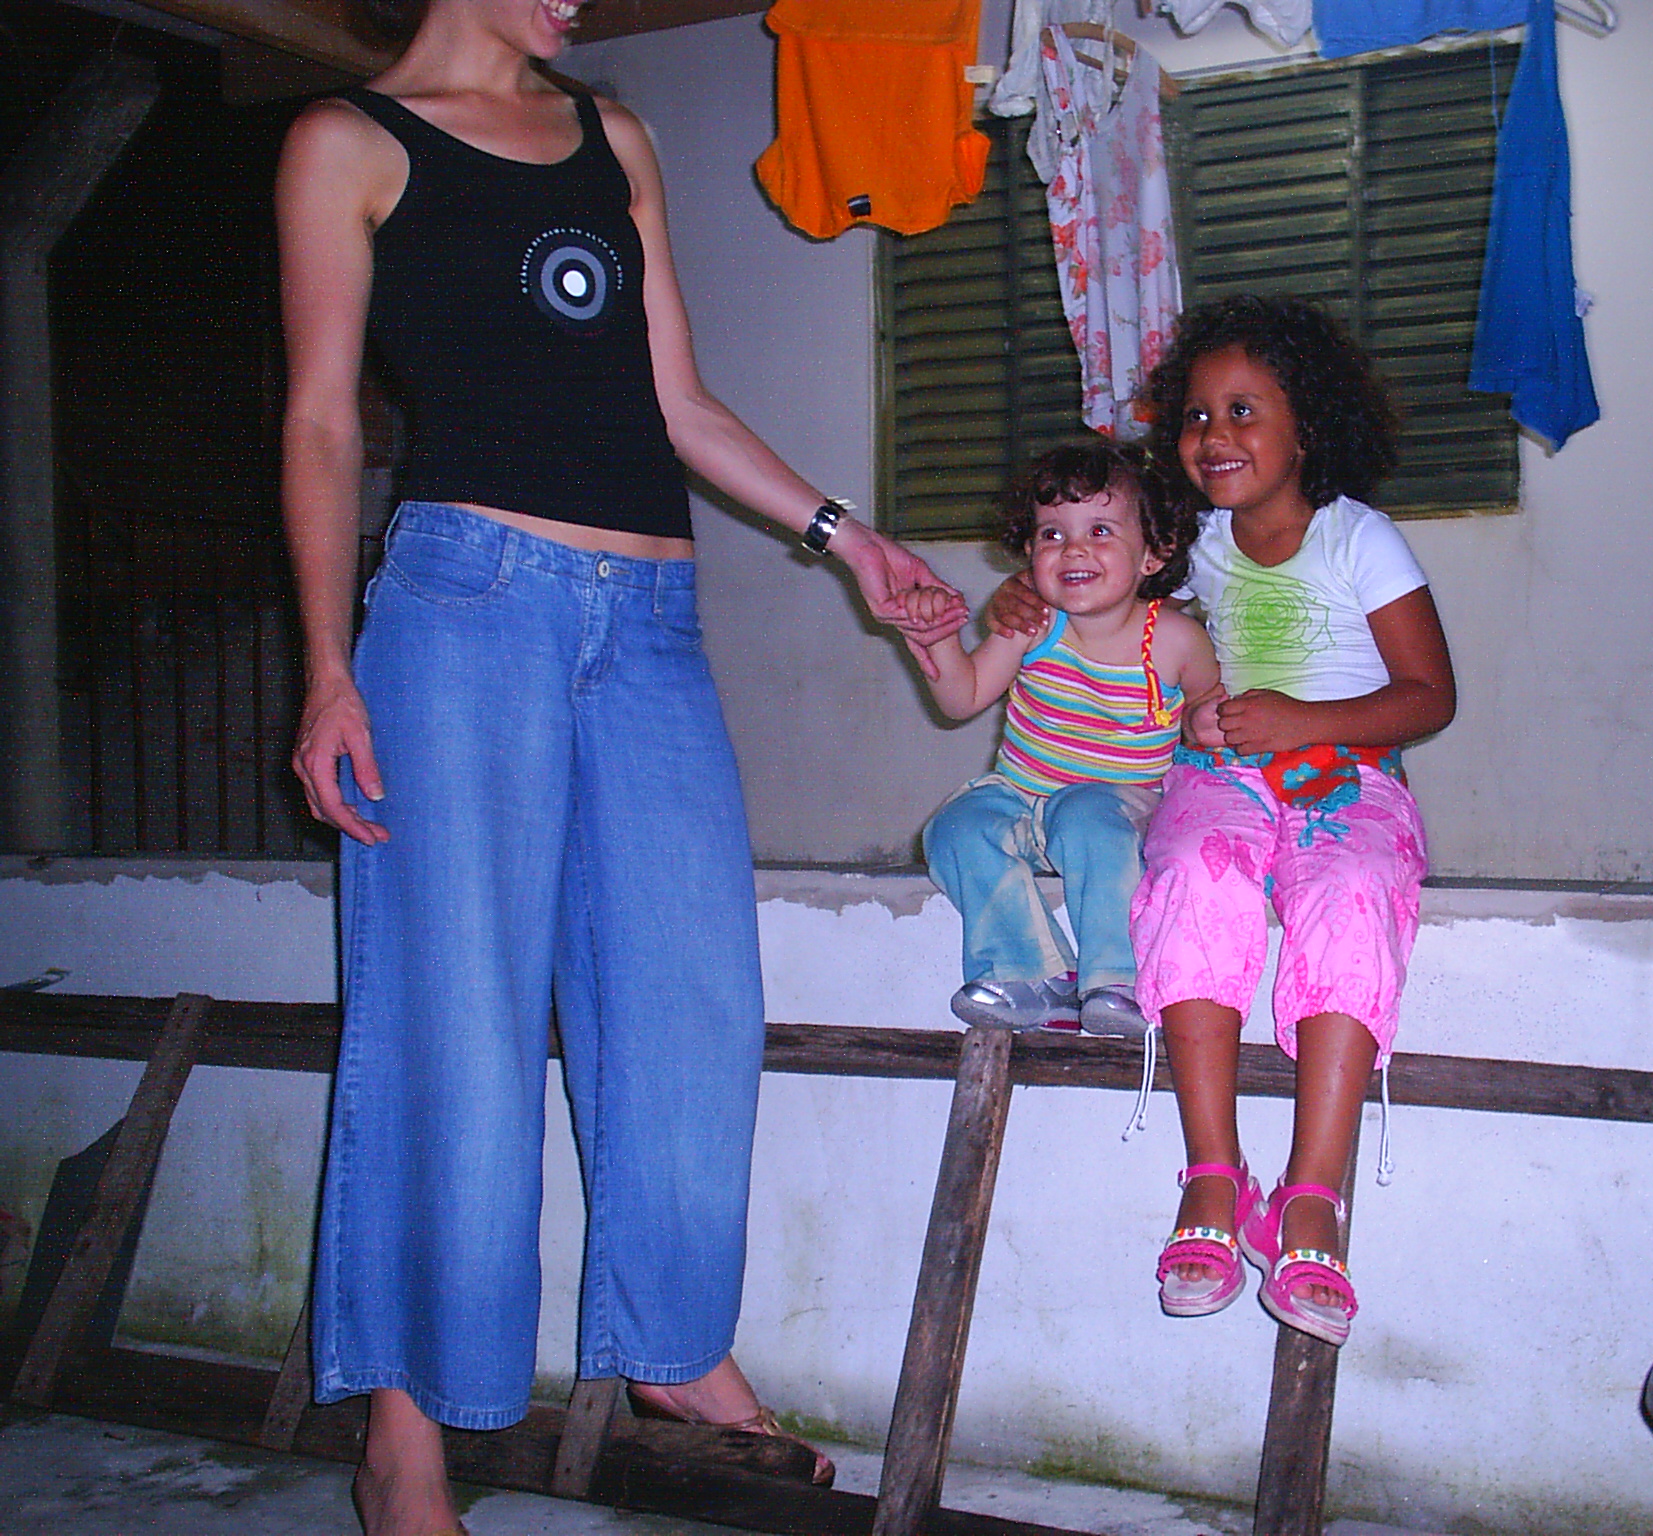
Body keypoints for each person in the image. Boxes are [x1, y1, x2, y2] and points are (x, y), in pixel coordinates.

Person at [274, 0, 965, 1525]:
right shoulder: (347, 144)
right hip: (466, 610)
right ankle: (404, 1434)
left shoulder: (614, 137)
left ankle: (670, 1343)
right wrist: (326, 668)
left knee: (690, 991)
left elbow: (677, 402)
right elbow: (321, 422)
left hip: (647, 622)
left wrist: (850, 542)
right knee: (454, 1022)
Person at [986, 295, 1455, 1347]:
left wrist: (1304, 719)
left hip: (1347, 775)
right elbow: (1095, 573)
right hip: (1224, 776)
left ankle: (1310, 1193)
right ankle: (1212, 1172)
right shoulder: (1192, 541)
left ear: (1309, 424)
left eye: (1244, 411)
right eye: (1196, 415)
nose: (1213, 435)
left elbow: (1430, 695)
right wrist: (1022, 597)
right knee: (1194, 869)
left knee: (1351, 891)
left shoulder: (1358, 540)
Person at [901, 440, 1217, 1038]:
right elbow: (963, 698)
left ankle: (1119, 979)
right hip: (1022, 796)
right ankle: (1033, 975)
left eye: (1100, 530)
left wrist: (1209, 720)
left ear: (1154, 553)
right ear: (1029, 550)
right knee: (956, 826)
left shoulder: (1175, 640)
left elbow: (1208, 712)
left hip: (1120, 810)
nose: (1073, 548)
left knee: (1086, 812)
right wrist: (937, 638)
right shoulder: (1034, 625)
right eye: (1051, 534)